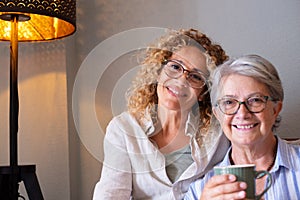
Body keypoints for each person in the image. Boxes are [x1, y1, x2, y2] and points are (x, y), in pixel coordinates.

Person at [92, 28, 230, 200]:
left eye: (195, 76)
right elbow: (110, 195)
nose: (181, 81)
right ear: (158, 71)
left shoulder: (219, 135)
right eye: (175, 67)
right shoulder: (123, 129)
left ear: (203, 92)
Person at [185, 54, 300, 200]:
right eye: (229, 102)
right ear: (218, 114)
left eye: (255, 100)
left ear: (275, 109)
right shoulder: (199, 191)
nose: (242, 113)